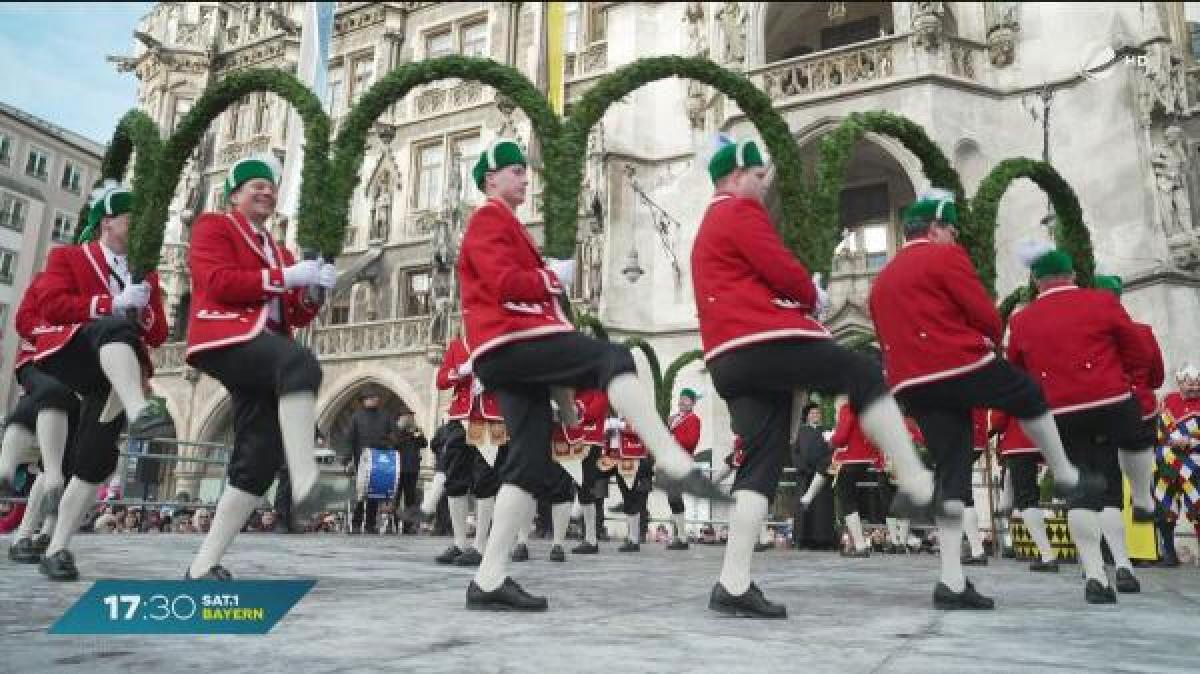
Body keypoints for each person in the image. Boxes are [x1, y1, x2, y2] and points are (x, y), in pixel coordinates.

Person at [458, 138, 723, 612]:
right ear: (490, 179)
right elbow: (503, 284)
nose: (524, 176)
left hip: (509, 350)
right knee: (612, 360)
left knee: (527, 459)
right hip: (510, 341)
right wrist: (550, 278)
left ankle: (489, 578)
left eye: (524, 169)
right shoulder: (488, 219)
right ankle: (672, 460)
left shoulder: (507, 224)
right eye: (515, 170)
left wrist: (562, 402)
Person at [691, 137, 934, 618]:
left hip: (728, 358)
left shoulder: (708, 225)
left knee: (760, 465)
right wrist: (811, 292)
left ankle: (733, 582)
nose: (764, 184)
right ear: (737, 177)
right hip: (761, 342)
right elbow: (780, 270)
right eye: (759, 175)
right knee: (863, 371)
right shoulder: (738, 211)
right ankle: (914, 477)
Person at [869, 192, 1093, 610]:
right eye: (950, 229)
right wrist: (989, 336)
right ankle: (1065, 472)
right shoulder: (944, 257)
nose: (954, 236)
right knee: (1028, 394)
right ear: (935, 229)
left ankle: (951, 581)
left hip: (911, 384)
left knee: (952, 470)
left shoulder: (881, 279)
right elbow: (984, 314)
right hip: (955, 363)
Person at [182, 154, 335, 580]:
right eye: (256, 186)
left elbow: (292, 313)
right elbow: (219, 283)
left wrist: (312, 291)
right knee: (300, 363)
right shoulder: (214, 227)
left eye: (270, 186)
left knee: (258, 459)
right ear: (235, 195)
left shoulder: (277, 247)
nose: (266, 191)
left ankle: (203, 565)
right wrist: (285, 277)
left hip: (262, 349)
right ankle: (305, 480)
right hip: (224, 337)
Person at [32, 182, 171, 581]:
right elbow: (51, 305)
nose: (142, 226)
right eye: (133, 218)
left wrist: (143, 307)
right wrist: (110, 304)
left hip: (115, 373)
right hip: (74, 353)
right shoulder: (70, 257)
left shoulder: (146, 273)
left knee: (96, 460)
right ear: (108, 221)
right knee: (112, 327)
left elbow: (157, 334)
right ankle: (140, 410)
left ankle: (57, 548)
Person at [1007, 244, 1152, 604]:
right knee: (1115, 485)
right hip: (1109, 400)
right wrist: (1129, 380)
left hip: (1059, 414)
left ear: (1037, 282)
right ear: (1072, 275)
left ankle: (1095, 576)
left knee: (1081, 494)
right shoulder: (1101, 302)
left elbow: (1016, 370)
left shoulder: (1021, 320)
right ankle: (1126, 555)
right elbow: (1138, 350)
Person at [3, 272, 81, 563]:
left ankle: (45, 533)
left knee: (69, 463)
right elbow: (24, 322)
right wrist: (62, 335)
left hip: (78, 378)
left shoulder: (91, 289)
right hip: (40, 364)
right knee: (53, 468)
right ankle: (23, 534)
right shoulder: (46, 281)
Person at [429, 337, 503, 566]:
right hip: (460, 417)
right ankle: (459, 542)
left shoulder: (499, 343)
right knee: (454, 479)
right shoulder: (456, 345)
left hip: (490, 418)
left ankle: (481, 545)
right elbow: (441, 380)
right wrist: (461, 371)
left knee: (485, 481)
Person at [989, 408, 1058, 572]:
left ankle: (1047, 556)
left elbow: (999, 420)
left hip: (1020, 442)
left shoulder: (1008, 381)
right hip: (1049, 439)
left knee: (1026, 500)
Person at [829, 399, 886, 558]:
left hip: (849, 460)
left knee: (847, 501)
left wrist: (830, 441)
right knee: (856, 499)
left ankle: (860, 545)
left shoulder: (847, 407)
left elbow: (841, 436)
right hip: (866, 459)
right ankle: (857, 542)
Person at [1156, 364, 1200, 567]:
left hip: (1195, 460)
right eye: (1189, 383)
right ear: (1179, 382)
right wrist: (1173, 440)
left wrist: (1190, 441)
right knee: (1165, 504)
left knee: (1197, 504)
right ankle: (1168, 551)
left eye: (1196, 383)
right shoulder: (1168, 400)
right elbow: (1161, 427)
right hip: (1169, 460)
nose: (1193, 387)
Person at [345, 388, 398, 534]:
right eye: (371, 397)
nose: (375, 399)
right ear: (364, 400)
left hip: (379, 458)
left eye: (376, 397)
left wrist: (390, 441)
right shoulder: (356, 417)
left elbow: (394, 435)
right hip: (360, 459)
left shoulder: (385, 416)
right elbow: (350, 439)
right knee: (360, 493)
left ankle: (370, 525)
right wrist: (347, 459)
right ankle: (355, 524)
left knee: (374, 492)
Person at [791, 403, 836, 550]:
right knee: (804, 508)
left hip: (821, 475)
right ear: (807, 415)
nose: (816, 415)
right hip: (804, 475)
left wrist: (822, 466)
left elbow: (832, 451)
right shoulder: (801, 431)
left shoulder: (827, 430)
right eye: (813, 413)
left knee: (822, 509)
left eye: (818, 413)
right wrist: (802, 466)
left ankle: (823, 540)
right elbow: (795, 452)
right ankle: (802, 539)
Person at [665, 388, 702, 550]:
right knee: (673, 498)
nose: (682, 401)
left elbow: (691, 442)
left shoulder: (694, 419)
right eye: (681, 398)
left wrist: (672, 439)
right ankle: (680, 536)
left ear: (693, 403)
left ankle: (682, 537)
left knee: (675, 497)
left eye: (686, 399)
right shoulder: (674, 419)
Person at [392, 414, 427, 534]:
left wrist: (417, 433)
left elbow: (424, 443)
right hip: (397, 469)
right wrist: (404, 432)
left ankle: (409, 526)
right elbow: (393, 444)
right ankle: (394, 524)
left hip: (412, 469)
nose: (410, 420)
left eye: (411, 418)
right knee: (395, 498)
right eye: (407, 418)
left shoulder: (416, 431)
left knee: (410, 499)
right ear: (401, 419)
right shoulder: (396, 431)